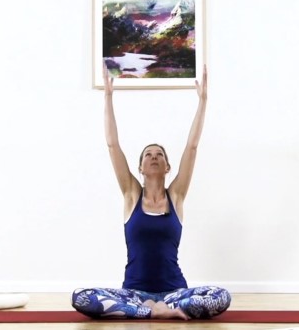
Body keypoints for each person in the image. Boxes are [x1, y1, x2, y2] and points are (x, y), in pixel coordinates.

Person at [71, 64, 231, 320]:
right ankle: (150, 310)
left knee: (221, 296)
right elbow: (113, 145)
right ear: (140, 168)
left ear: (167, 167)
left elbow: (191, 147)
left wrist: (203, 102)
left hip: (174, 293)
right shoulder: (131, 195)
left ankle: (151, 310)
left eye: (159, 154)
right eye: (148, 154)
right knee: (81, 296)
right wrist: (108, 97)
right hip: (134, 293)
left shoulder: (176, 196)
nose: (154, 157)